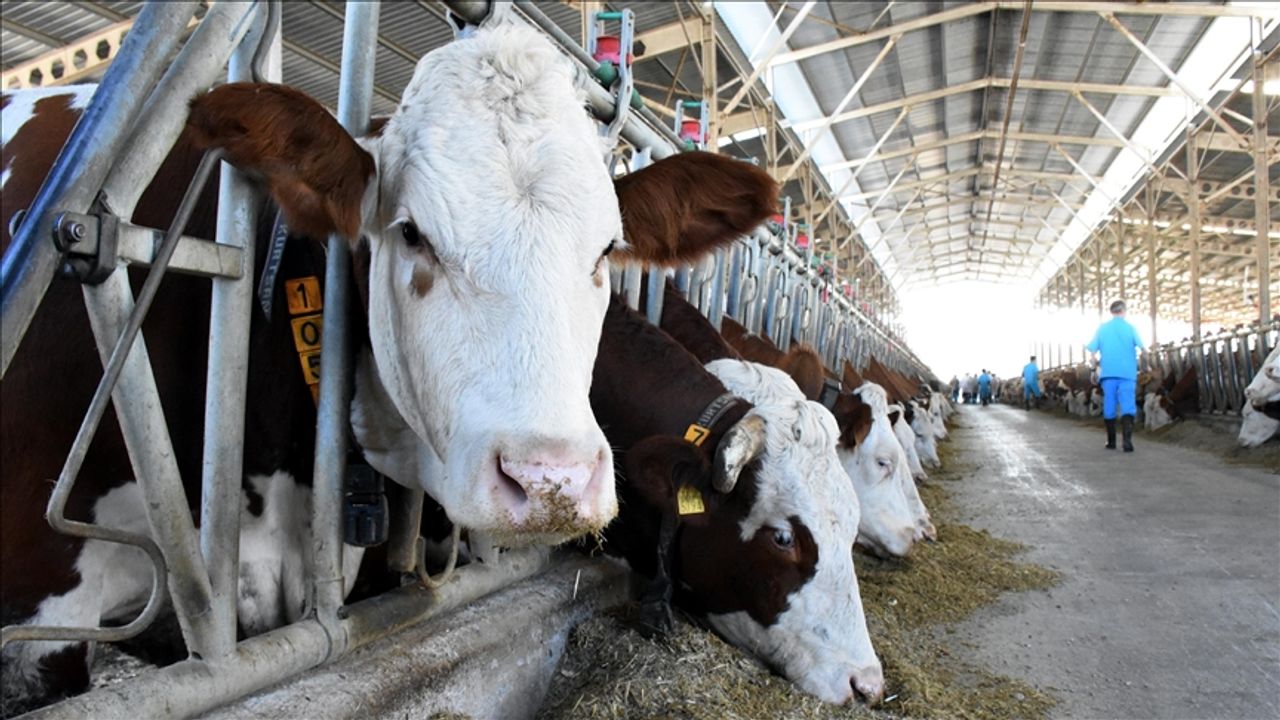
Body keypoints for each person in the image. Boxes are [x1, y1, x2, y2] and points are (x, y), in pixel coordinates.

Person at [1086, 300, 1144, 452]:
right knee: (1128, 405)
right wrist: (1147, 364)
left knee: (1110, 405)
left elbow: (1092, 352)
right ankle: (1127, 442)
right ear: (1124, 311)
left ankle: (1111, 442)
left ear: (1111, 312)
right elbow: (1143, 348)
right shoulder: (1130, 328)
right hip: (1127, 373)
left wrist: (1093, 370)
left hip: (1108, 373)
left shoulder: (1102, 329)